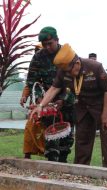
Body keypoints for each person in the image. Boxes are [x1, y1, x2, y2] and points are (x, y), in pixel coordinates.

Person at [31, 44, 107, 168]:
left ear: (76, 63)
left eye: (69, 70)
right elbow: (54, 88)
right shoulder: (63, 70)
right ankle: (81, 169)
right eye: (65, 71)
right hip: (82, 106)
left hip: (101, 104)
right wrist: (41, 105)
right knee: (82, 139)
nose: (68, 74)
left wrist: (105, 113)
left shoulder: (95, 67)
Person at [24, 26, 75, 162]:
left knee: (66, 139)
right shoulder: (38, 57)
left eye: (50, 44)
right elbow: (32, 81)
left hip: (67, 102)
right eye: (44, 44)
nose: (47, 47)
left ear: (57, 40)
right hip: (48, 102)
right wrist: (41, 98)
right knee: (50, 138)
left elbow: (74, 81)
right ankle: (52, 163)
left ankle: (63, 163)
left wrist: (63, 100)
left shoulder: (67, 54)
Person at [21, 43, 45, 159]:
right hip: (34, 106)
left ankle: (51, 157)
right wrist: (24, 96)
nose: (37, 52)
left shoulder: (54, 65)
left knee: (48, 130)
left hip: (49, 105)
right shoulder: (34, 66)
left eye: (39, 50)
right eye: (36, 50)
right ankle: (27, 155)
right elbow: (29, 84)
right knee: (30, 129)